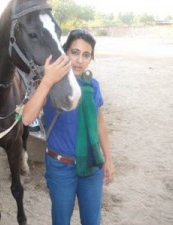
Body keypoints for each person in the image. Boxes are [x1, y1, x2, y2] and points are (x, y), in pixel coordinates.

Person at [22, 29, 115, 225]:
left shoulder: (92, 86)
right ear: (65, 52)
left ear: (91, 58)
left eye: (86, 54)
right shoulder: (52, 83)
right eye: (75, 52)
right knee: (61, 221)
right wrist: (47, 80)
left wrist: (109, 159)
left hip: (91, 164)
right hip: (60, 168)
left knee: (92, 221)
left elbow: (99, 122)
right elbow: (26, 118)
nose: (80, 60)